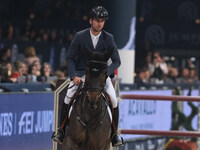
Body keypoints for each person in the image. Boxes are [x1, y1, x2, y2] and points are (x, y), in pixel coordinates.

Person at [52, 6, 124, 146]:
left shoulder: (109, 38)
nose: (100, 23)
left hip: (101, 75)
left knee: (114, 100)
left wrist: (106, 74)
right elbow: (70, 57)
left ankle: (115, 135)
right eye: (97, 20)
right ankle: (60, 130)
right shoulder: (80, 36)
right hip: (82, 74)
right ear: (91, 21)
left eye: (102, 21)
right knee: (69, 96)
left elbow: (117, 61)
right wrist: (73, 76)